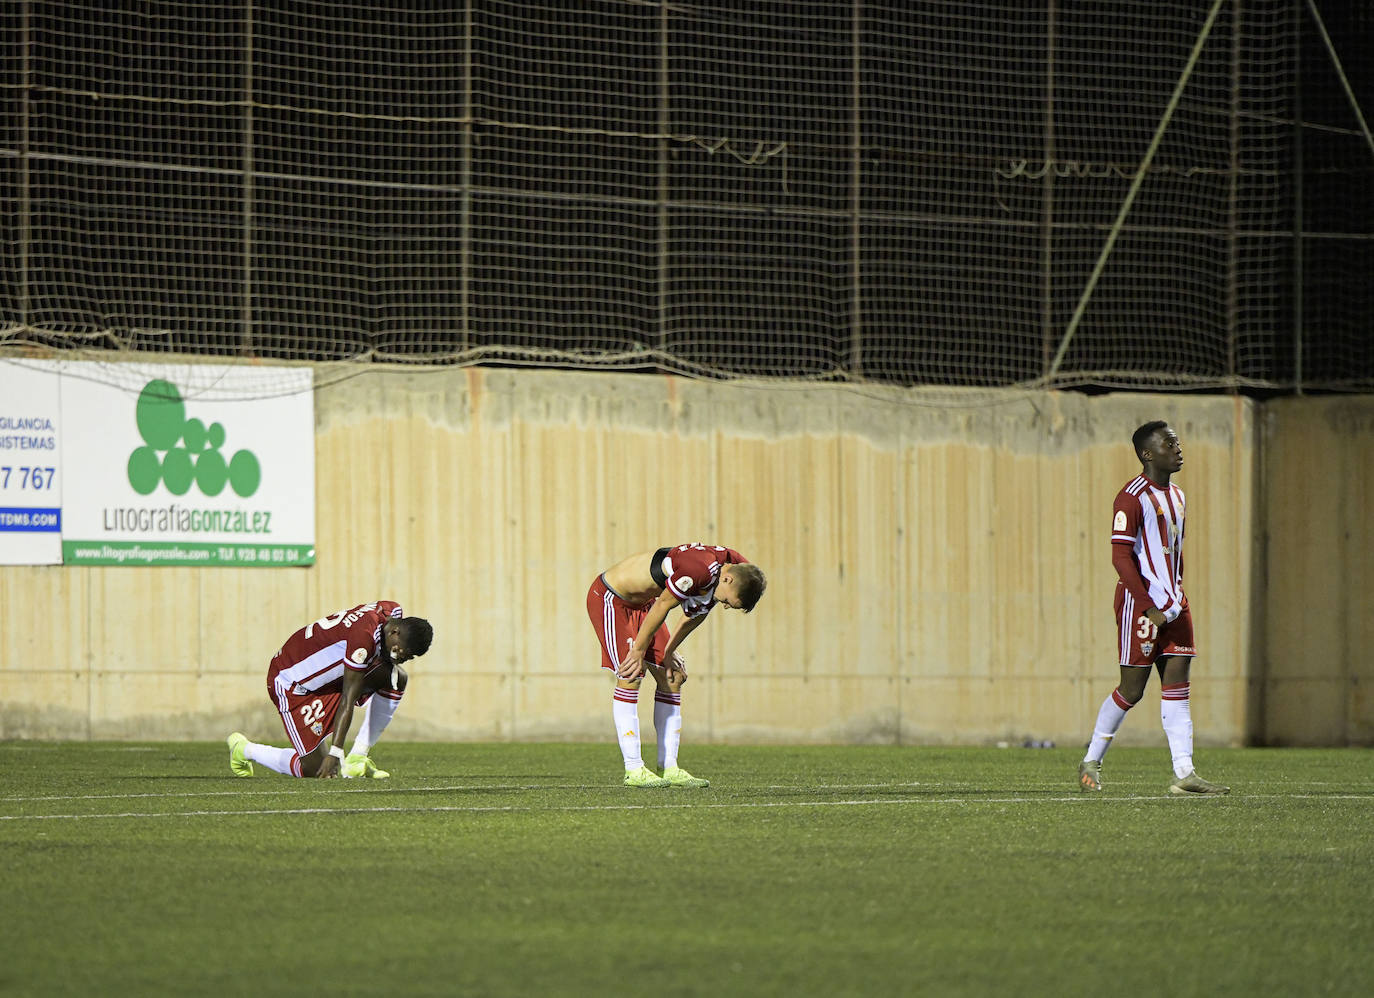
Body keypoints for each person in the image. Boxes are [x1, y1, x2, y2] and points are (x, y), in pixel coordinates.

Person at [1077, 421, 1228, 796]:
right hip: (1140, 607)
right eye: (1169, 443)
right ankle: (1091, 761)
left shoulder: (1178, 495)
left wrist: (1172, 601)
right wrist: (1147, 607)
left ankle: (1184, 773)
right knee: (1132, 690)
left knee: (1177, 685)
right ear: (1148, 453)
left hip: (1175, 605)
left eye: (1177, 442)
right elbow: (1120, 555)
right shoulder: (1130, 496)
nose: (1178, 449)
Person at [587, 544, 767, 788]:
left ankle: (668, 767)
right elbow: (664, 604)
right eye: (727, 601)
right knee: (631, 673)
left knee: (673, 676)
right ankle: (634, 768)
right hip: (614, 599)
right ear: (727, 578)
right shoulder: (699, 570)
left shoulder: (736, 568)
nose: (724, 605)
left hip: (646, 606)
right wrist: (638, 650)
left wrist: (669, 652)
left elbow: (697, 613)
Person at [227, 601, 433, 779]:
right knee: (315, 769)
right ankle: (244, 749)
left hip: (330, 679)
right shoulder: (363, 640)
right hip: (291, 684)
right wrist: (335, 752)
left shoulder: (392, 611)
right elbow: (348, 696)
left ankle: (357, 757)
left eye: (408, 656)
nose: (400, 657)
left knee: (396, 678)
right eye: (399, 650)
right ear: (395, 632)